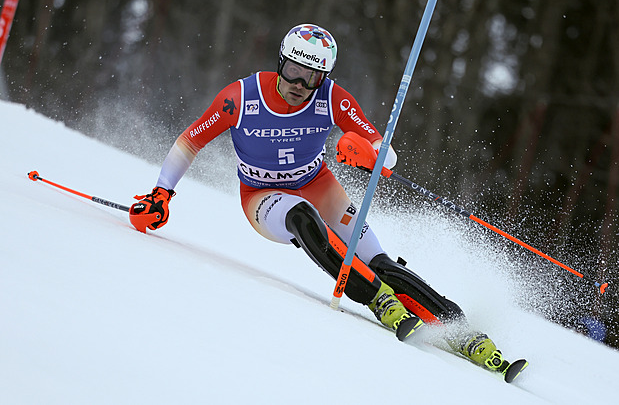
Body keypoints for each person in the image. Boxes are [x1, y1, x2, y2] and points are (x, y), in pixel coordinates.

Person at [130, 23, 508, 372]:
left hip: (318, 182)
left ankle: (463, 331)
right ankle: (378, 299)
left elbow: (385, 152)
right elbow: (189, 141)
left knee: (378, 260)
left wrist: (365, 151)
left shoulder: (331, 99)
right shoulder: (240, 97)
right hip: (262, 195)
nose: (300, 83)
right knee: (302, 218)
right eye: (294, 70)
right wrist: (161, 194)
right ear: (281, 62)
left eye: (312, 76)